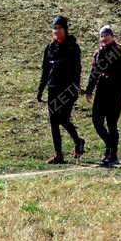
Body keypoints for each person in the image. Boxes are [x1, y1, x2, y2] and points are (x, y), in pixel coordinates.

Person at [37, 15, 86, 164]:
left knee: (63, 118)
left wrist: (75, 88)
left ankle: (78, 141)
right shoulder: (50, 48)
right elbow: (46, 70)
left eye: (59, 28)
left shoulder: (72, 47)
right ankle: (59, 154)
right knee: (53, 121)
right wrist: (40, 89)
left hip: (68, 88)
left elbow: (78, 69)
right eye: (55, 28)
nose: (56, 31)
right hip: (53, 88)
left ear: (65, 29)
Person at [84, 25, 121, 167]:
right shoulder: (98, 53)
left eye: (106, 35)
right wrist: (89, 90)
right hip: (101, 93)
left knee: (112, 124)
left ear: (112, 36)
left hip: (115, 93)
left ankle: (112, 154)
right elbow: (94, 73)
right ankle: (110, 146)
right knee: (97, 122)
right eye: (102, 35)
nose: (104, 38)